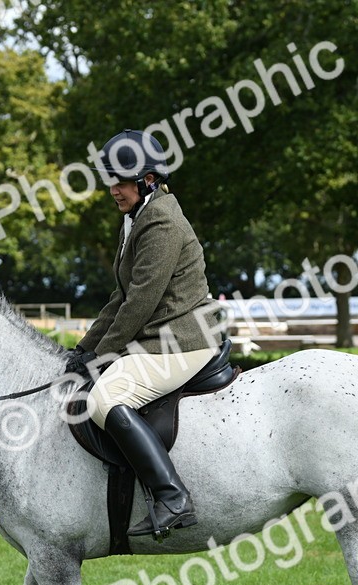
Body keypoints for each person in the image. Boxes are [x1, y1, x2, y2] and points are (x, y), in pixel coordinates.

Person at [67, 129, 223, 538]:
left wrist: (103, 357)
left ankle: (172, 496)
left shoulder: (162, 222)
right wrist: (84, 349)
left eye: (120, 180)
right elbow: (120, 297)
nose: (113, 189)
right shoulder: (135, 218)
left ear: (148, 180)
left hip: (183, 341)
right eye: (110, 180)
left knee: (104, 398)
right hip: (158, 338)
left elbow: (141, 302)